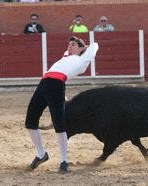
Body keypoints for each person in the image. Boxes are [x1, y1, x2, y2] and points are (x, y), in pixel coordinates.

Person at [25, 36, 99, 173]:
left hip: (57, 86)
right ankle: (41, 155)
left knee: (59, 124)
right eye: (69, 44)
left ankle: (64, 161)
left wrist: (85, 47)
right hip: (43, 84)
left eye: (73, 45)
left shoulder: (82, 60)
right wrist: (77, 47)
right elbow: (70, 51)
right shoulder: (66, 56)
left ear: (81, 48)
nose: (69, 46)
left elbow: (95, 45)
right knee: (30, 121)